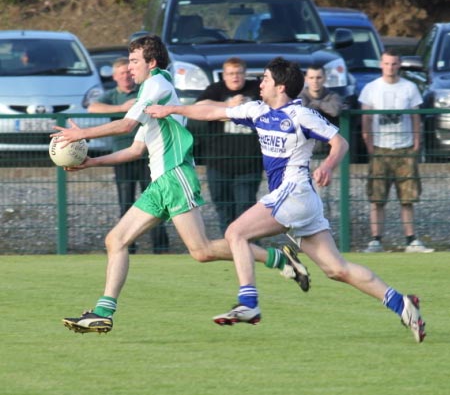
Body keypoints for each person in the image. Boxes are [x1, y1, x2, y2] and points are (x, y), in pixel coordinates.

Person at [147, 56, 426, 343]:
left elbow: (339, 142)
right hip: (295, 200)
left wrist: (328, 166)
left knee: (235, 233)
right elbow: (213, 112)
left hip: (295, 193)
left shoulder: (300, 115)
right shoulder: (257, 111)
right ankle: (402, 303)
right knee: (335, 269)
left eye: (265, 78)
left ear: (280, 86)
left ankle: (249, 303)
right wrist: (171, 109)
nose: (260, 83)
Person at [52, 35, 310, 334]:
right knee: (117, 240)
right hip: (160, 182)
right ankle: (102, 313)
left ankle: (278, 258)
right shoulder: (148, 93)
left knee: (200, 250)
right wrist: (92, 163)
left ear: (152, 62)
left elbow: (124, 126)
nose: (130, 67)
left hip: (175, 177)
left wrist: (80, 134)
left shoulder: (157, 85)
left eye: (135, 61)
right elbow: (136, 150)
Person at [88, 57, 169, 254]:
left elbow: (128, 125)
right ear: (115, 77)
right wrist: (122, 109)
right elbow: (92, 107)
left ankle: (160, 247)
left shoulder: (143, 92)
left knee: (154, 202)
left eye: (128, 71)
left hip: (147, 155)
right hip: (123, 155)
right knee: (126, 201)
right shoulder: (112, 96)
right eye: (121, 73)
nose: (126, 75)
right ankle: (128, 245)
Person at [359, 49, 433, 254]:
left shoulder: (410, 88)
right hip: (380, 149)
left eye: (394, 64)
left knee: (407, 198)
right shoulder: (371, 89)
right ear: (381, 64)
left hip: (405, 147)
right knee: (377, 198)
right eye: (387, 63)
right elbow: (365, 119)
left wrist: (417, 143)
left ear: (400, 65)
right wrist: (369, 144)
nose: (390, 68)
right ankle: (376, 240)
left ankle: (411, 240)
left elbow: (416, 117)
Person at [194, 57, 263, 234]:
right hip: (218, 162)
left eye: (239, 73)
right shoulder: (216, 90)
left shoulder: (256, 89)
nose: (235, 77)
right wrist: (227, 105)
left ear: (244, 74)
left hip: (249, 163)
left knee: (246, 210)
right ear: (224, 75)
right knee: (223, 209)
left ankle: (250, 247)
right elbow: (200, 106)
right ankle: (229, 249)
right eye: (231, 73)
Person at [299, 64, 345, 156]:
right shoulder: (300, 96)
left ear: (324, 78)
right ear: (306, 79)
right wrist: (323, 108)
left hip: (328, 152)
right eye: (311, 78)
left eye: (318, 77)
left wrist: (317, 103)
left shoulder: (333, 96)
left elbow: (335, 110)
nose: (315, 81)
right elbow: (304, 111)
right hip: (304, 152)